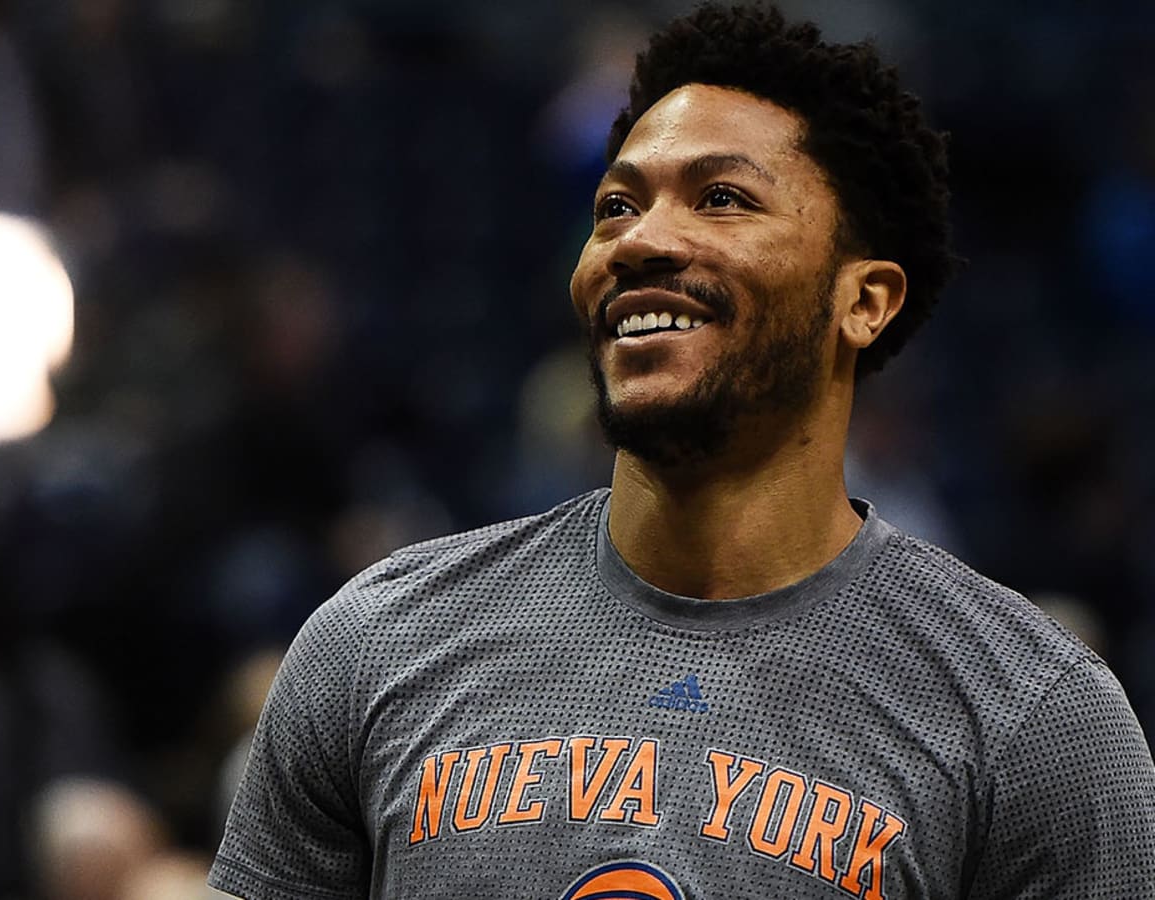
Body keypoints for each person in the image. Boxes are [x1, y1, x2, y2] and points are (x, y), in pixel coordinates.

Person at [208, 4, 1155, 898]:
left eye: (722, 198)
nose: (638, 241)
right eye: (616, 206)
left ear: (863, 301)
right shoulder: (377, 645)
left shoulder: (1033, 720)